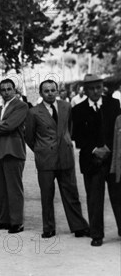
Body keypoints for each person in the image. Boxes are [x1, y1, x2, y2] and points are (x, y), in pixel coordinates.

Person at [25, 80, 90, 239]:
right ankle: (48, 228)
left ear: (58, 91)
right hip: (46, 158)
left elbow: (70, 127)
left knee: (71, 193)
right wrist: (41, 149)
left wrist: (66, 142)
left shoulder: (66, 106)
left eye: (53, 90)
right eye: (46, 91)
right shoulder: (33, 112)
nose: (50, 93)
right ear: (41, 93)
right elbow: (29, 137)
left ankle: (79, 226)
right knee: (47, 195)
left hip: (65, 155)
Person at [72, 74, 121, 246]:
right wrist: (94, 149)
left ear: (103, 87)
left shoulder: (114, 104)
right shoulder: (77, 110)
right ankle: (97, 234)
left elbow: (118, 130)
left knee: (118, 196)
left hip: (113, 159)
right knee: (94, 198)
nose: (95, 91)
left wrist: (108, 147)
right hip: (91, 161)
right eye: (91, 88)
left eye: (98, 87)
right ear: (85, 90)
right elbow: (77, 137)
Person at [0, 79, 28, 234]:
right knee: (0, 189)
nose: (6, 92)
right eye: (3, 89)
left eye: (9, 89)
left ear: (15, 90)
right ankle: (3, 220)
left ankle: (16, 222)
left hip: (13, 151)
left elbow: (11, 125)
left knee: (14, 188)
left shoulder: (21, 106)